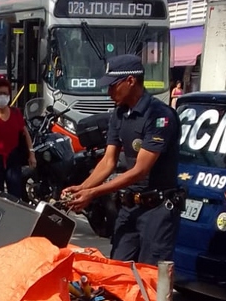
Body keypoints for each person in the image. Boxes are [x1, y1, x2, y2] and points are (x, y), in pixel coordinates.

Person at [62, 54, 182, 265]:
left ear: (130, 81)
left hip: (157, 211)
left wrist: (92, 192)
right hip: (129, 207)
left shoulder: (159, 116)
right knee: (117, 270)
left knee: (149, 278)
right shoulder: (119, 114)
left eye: (112, 86)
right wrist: (81, 188)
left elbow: (140, 170)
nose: (109, 92)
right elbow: (108, 161)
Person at [0, 75, 36, 198]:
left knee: (15, 195)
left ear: (9, 95)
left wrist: (31, 153)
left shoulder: (16, 114)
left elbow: (25, 133)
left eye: (4, 93)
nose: (2, 96)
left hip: (13, 159)